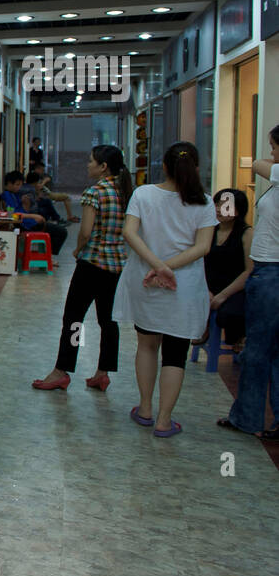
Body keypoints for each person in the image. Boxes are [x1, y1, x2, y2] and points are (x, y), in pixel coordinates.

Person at [112, 142, 217, 437]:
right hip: (183, 286)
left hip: (146, 281)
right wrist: (168, 268)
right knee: (175, 354)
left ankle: (144, 409)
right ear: (194, 168)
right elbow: (203, 247)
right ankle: (164, 421)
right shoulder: (204, 202)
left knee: (146, 344)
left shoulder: (143, 194)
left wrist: (156, 266)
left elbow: (129, 233)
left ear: (165, 167)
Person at [33, 146, 132, 391]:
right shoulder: (127, 192)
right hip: (116, 265)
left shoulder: (95, 192)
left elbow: (86, 232)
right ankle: (102, 372)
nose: (87, 165)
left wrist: (78, 250)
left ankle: (62, 370)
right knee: (108, 321)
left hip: (92, 265)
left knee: (74, 319)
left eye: (91, 161)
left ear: (103, 166)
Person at [221, 125, 279, 440]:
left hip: (271, 273)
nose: (270, 153)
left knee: (257, 350)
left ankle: (248, 418)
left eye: (274, 146)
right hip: (270, 271)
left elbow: (257, 164)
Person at [198, 188, 251, 352]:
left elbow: (249, 271)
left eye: (225, 205)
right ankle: (202, 327)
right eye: (217, 204)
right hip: (208, 285)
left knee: (231, 313)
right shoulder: (208, 230)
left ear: (238, 211)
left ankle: (239, 338)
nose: (219, 209)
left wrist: (223, 295)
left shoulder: (247, 233)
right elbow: (199, 261)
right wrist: (204, 289)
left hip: (235, 287)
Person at [1, 171, 68, 254]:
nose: (19, 187)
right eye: (17, 184)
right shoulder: (7, 196)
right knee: (61, 232)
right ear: (9, 184)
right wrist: (34, 216)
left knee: (58, 230)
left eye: (20, 185)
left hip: (29, 223)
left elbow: (22, 211)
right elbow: (13, 215)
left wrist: (26, 205)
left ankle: (49, 256)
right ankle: (49, 256)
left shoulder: (15, 195)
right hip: (26, 225)